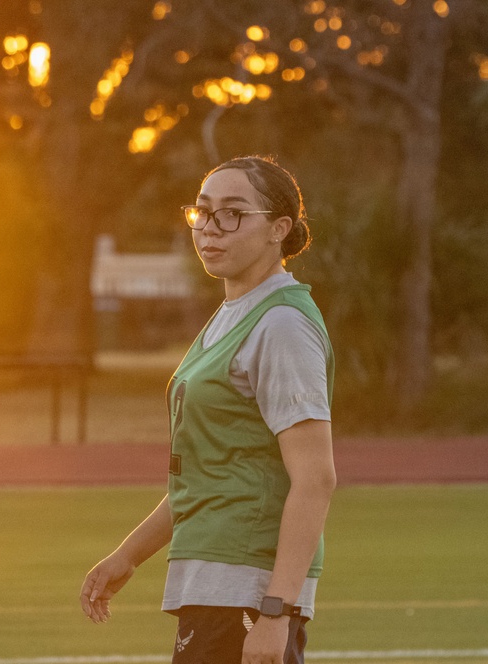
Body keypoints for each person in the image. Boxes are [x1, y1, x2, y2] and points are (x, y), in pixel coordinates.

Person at [80, 156, 335, 664]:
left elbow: (316, 478)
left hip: (245, 591)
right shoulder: (233, 313)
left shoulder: (281, 324)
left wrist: (274, 612)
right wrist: (129, 556)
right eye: (202, 212)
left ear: (278, 229)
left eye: (233, 213)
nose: (211, 228)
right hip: (213, 585)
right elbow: (208, 477)